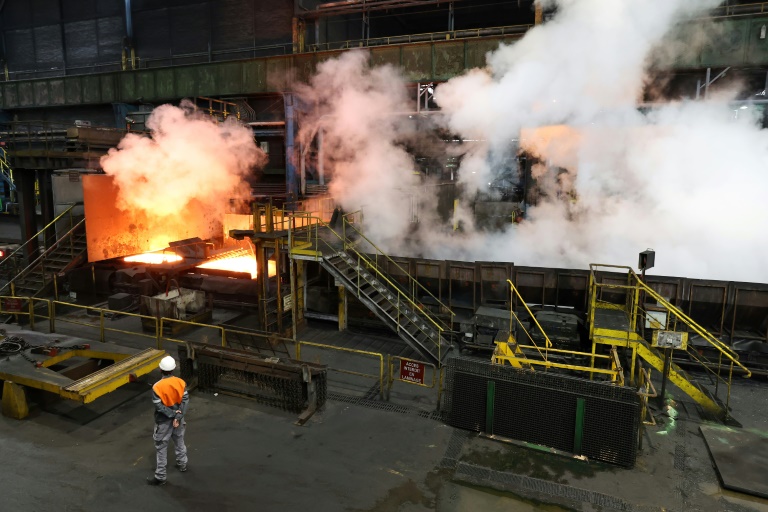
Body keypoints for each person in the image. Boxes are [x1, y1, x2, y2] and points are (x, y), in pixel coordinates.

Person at [146, 355, 189, 486]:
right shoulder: (181, 382)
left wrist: (171, 415)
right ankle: (183, 464)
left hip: (163, 421)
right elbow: (185, 401)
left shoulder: (157, 387)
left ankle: (160, 476)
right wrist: (177, 416)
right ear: (173, 369)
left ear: (160, 369)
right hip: (178, 420)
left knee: (161, 447)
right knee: (179, 441)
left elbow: (159, 406)